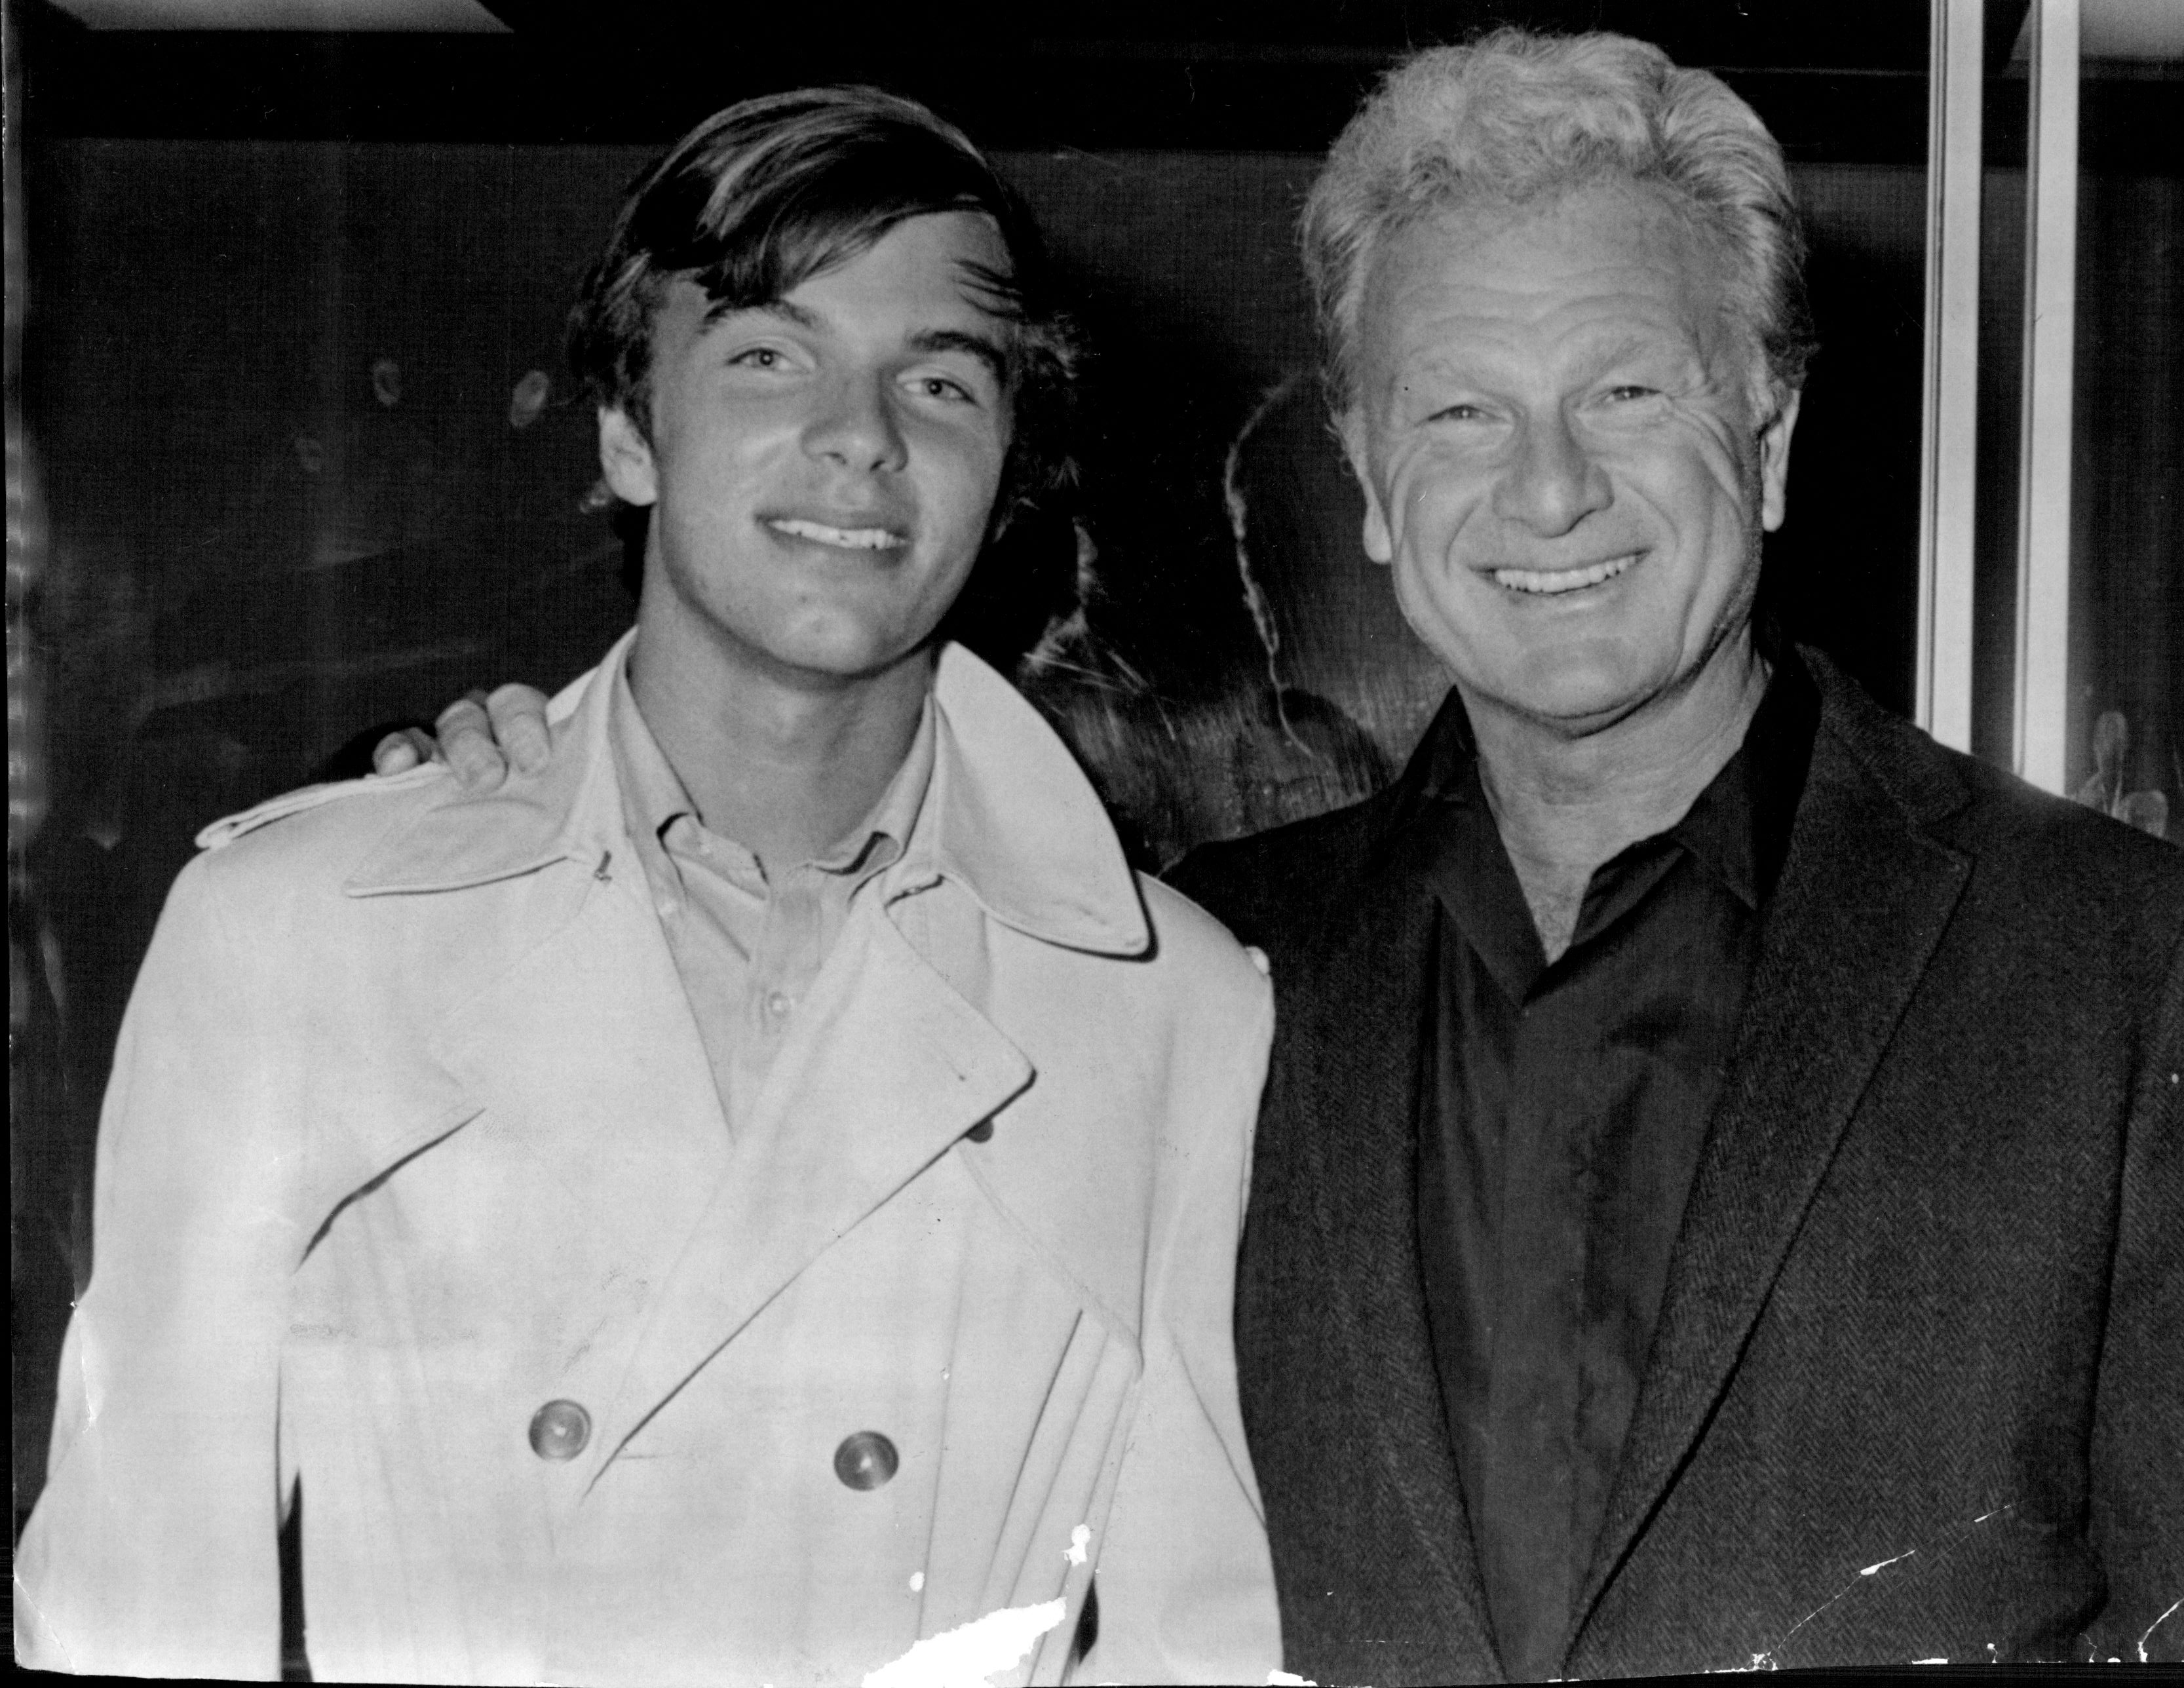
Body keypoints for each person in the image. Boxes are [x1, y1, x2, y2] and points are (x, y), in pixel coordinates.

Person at [389, 31, 2184, 1682]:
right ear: (1370, 485)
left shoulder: (2114, 966)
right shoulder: (1170, 970)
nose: (1551, 487)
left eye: (1629, 391)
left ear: (1763, 441)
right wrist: (528, 813)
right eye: (1465, 412)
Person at [14, 88, 1280, 1687]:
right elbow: (135, 1606)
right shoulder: (294, 929)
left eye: (942, 379)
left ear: (1006, 464)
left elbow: (1190, 1651)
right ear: (628, 428)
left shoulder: (1170, 1010)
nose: (860, 435)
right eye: (768, 353)